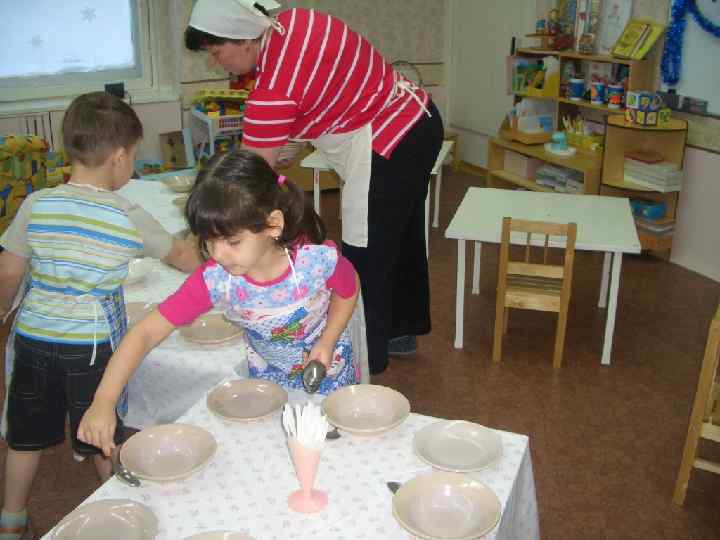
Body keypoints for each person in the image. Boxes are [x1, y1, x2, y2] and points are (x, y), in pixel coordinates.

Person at [185, 0, 444, 374]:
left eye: (215, 51)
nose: (215, 62)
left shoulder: (273, 89)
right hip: (420, 118)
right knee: (400, 238)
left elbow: (244, 185)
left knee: (366, 253)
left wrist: (204, 229)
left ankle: (368, 357)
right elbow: (321, 90)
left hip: (388, 140)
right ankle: (401, 330)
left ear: (244, 38)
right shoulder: (295, 21)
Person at [0, 92, 201, 540]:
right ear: (119, 157)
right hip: (90, 348)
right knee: (101, 429)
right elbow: (183, 258)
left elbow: (9, 271)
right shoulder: (126, 213)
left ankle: (10, 520)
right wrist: (207, 243)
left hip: (33, 339)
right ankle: (119, 510)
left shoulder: (37, 203)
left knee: (24, 437)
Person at [77, 149, 360, 456]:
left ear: (273, 225)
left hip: (330, 373)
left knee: (336, 451)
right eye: (209, 241)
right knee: (280, 450)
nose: (218, 254)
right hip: (269, 380)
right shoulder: (216, 279)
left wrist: (327, 340)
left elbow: (348, 289)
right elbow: (145, 333)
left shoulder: (314, 260)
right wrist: (104, 400)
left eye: (232, 241)